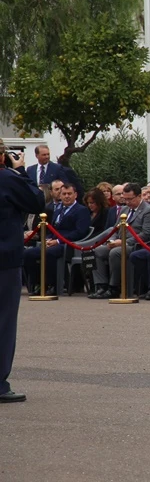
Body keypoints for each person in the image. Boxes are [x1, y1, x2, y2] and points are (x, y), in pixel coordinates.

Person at [1, 142, 45, 403]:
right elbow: (36, 200)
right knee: (4, 321)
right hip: (4, 259)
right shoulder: (7, 178)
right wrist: (21, 171)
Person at [88, 182, 150, 299]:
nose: (127, 202)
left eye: (130, 199)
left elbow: (146, 234)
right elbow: (115, 229)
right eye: (124, 199)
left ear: (139, 196)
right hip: (119, 242)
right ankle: (101, 285)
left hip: (136, 244)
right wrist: (111, 241)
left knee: (115, 253)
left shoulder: (149, 211)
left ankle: (114, 287)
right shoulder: (124, 210)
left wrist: (124, 243)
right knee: (97, 251)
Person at [23, 182, 90, 295]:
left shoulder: (81, 210)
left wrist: (58, 241)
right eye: (64, 194)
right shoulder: (58, 209)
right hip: (53, 242)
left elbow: (80, 232)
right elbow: (52, 228)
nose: (66, 196)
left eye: (69, 194)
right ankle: (39, 284)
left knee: (49, 254)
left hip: (68, 244)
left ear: (75, 195)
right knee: (28, 254)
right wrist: (48, 239)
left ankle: (53, 285)